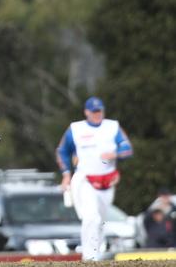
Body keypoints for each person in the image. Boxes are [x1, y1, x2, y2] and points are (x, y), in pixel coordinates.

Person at [56, 96, 133, 261]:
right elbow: (62, 150)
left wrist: (115, 154)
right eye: (94, 111)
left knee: (100, 221)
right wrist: (66, 174)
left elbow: (127, 148)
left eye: (100, 111)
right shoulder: (76, 129)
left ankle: (96, 254)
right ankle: (89, 257)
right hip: (85, 179)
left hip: (107, 181)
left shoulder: (112, 127)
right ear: (86, 112)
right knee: (91, 217)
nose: (97, 114)